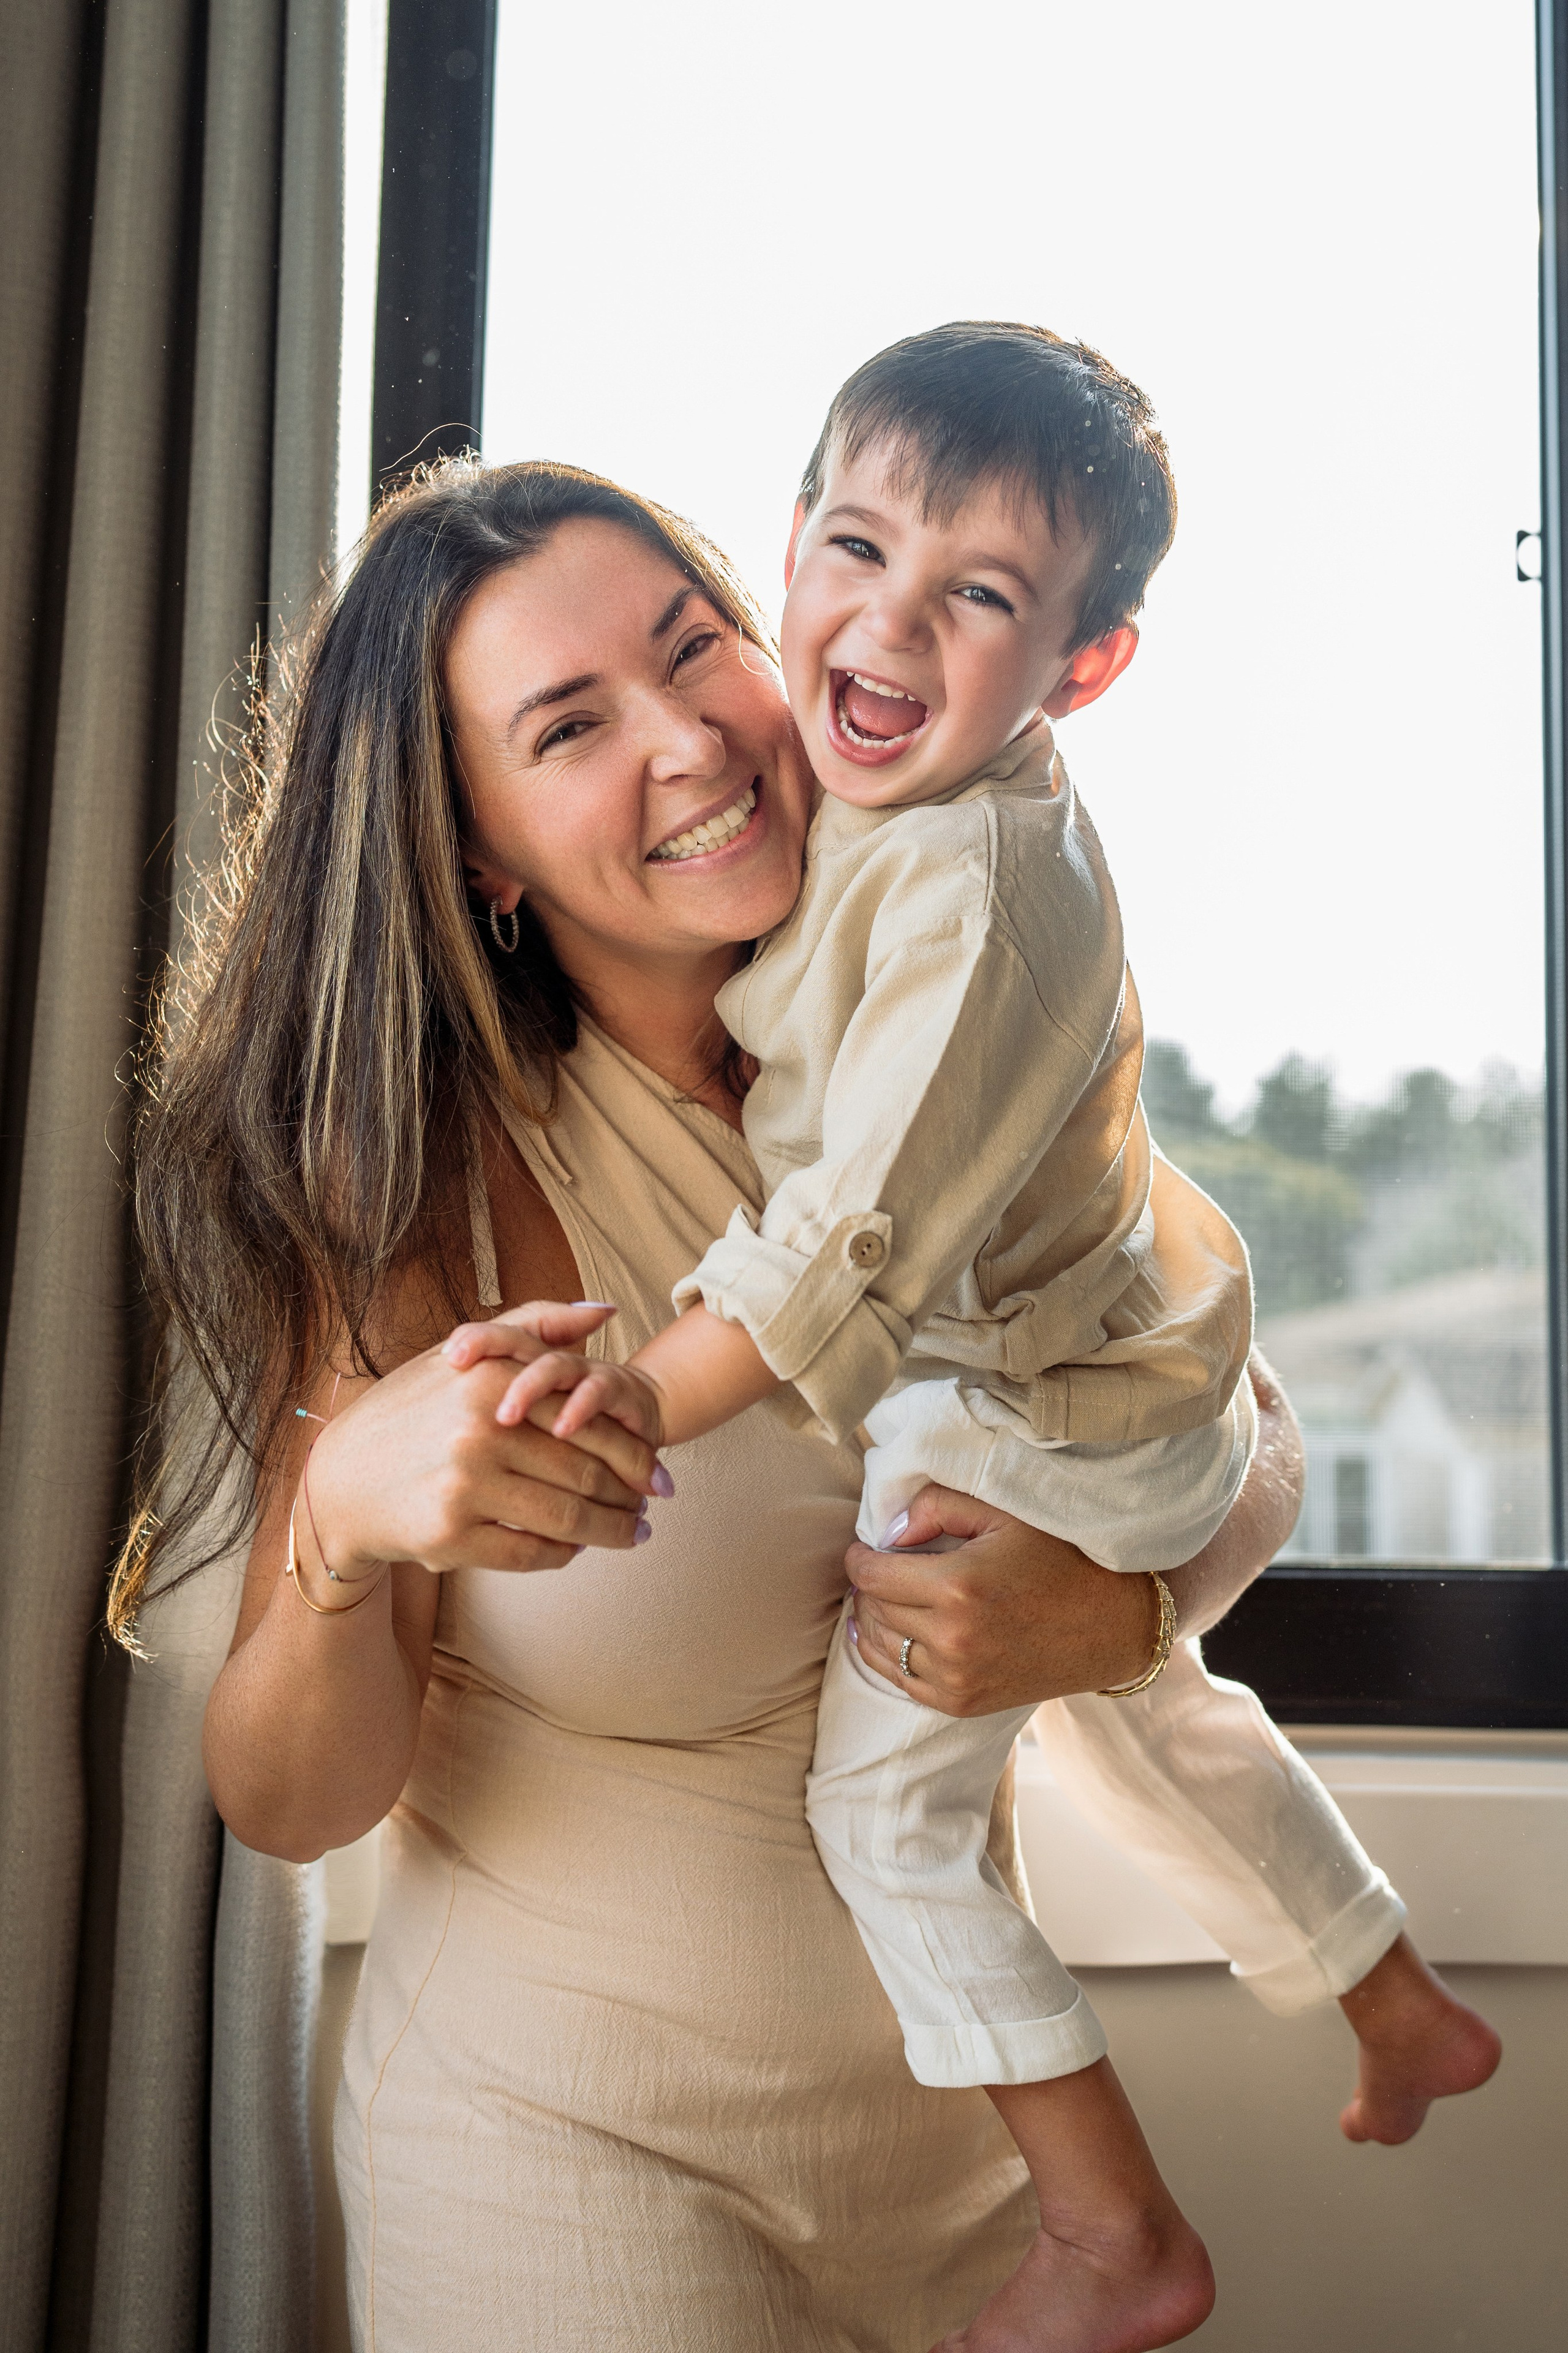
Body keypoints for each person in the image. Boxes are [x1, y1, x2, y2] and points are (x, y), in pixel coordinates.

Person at [115, 458, 1488, 2353]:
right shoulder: (414, 1196)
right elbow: (286, 1799)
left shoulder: (948, 983)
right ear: (482, 850)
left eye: (699, 651)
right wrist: (342, 1532)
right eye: (573, 724)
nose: (690, 740)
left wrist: (1125, 1612)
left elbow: (1232, 1411)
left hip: (983, 2195)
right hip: (568, 2158)